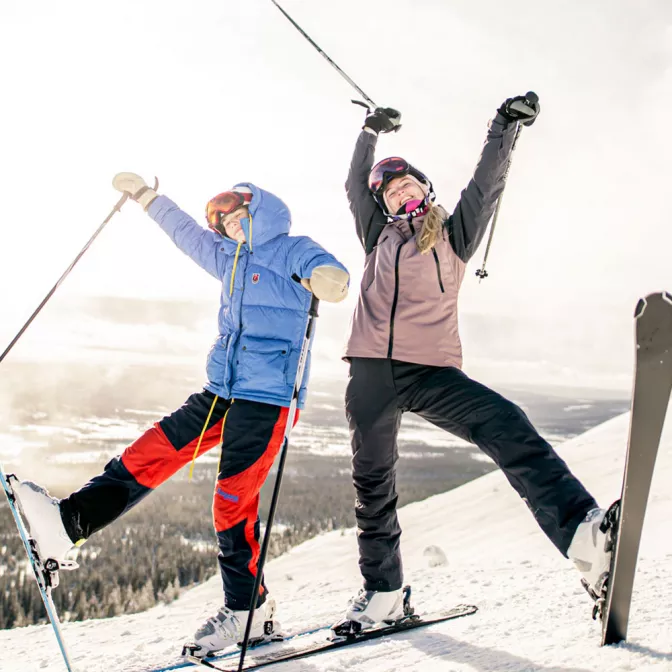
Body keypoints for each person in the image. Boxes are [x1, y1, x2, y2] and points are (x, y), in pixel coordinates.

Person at [13, 174, 349, 655]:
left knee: (232, 500)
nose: (233, 227)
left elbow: (326, 271)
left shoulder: (291, 247)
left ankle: (247, 611)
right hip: (222, 389)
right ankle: (69, 524)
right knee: (152, 451)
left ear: (261, 212)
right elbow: (186, 233)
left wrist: (327, 279)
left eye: (239, 217)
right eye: (226, 223)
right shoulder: (227, 259)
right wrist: (149, 198)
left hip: (269, 398)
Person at [339, 95, 610, 627]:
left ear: (425, 187)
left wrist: (504, 126)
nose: (399, 191)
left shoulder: (455, 235)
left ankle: (584, 534)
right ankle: (383, 593)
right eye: (390, 191)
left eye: (407, 183)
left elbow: (485, 183)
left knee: (506, 423)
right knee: (373, 485)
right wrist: (370, 131)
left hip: (432, 371)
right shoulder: (377, 236)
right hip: (370, 371)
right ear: (385, 205)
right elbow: (355, 187)